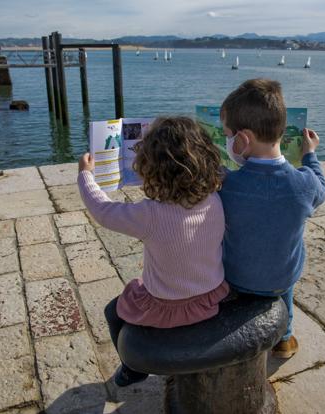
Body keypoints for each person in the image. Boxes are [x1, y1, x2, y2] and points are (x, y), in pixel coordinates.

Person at [77, 116, 229, 387]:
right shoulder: (215, 198)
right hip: (210, 297)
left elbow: (102, 210)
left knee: (113, 312)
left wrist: (86, 175)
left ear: (149, 169)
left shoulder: (149, 215)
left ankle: (132, 367)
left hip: (168, 306)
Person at [218, 78, 325, 359]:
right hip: (282, 277)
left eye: (227, 136)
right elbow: (322, 189)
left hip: (236, 277)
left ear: (243, 139)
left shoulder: (228, 184)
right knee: (286, 286)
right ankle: (284, 340)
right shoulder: (304, 185)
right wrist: (310, 155)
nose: (226, 141)